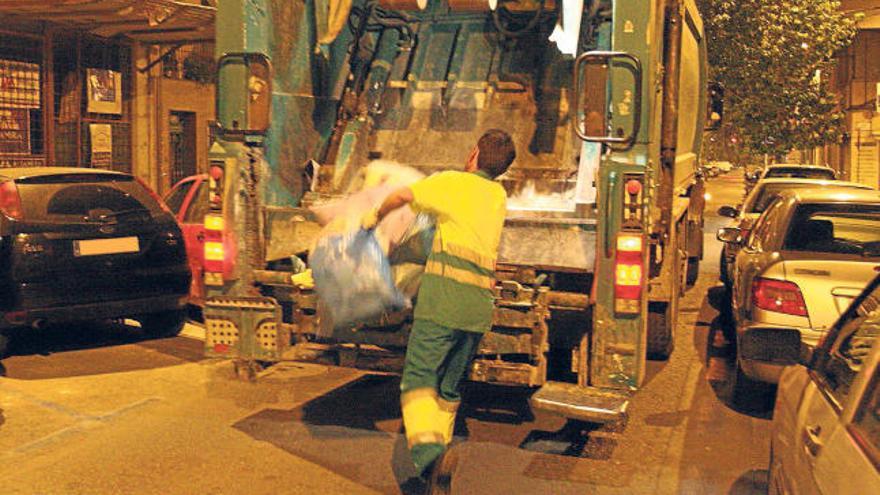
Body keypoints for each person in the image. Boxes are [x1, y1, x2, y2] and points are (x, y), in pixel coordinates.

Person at [361, 129, 516, 493]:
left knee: (417, 381)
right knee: (448, 389)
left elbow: (401, 195)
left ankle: (431, 455)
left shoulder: (452, 184)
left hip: (443, 303)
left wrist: (372, 217)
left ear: (474, 153)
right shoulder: (497, 196)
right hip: (477, 312)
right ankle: (437, 470)